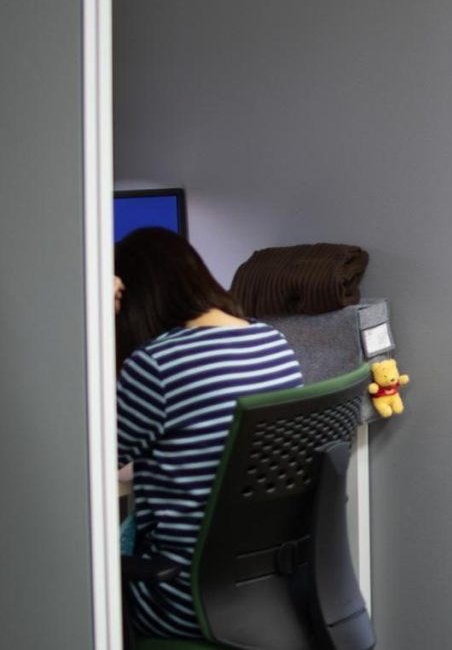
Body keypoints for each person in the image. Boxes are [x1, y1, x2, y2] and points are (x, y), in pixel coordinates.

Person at [115, 227, 304, 639]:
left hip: (180, 601)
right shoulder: (273, 342)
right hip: (267, 592)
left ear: (134, 298)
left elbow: (93, 461)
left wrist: (95, 323)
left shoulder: (157, 363)